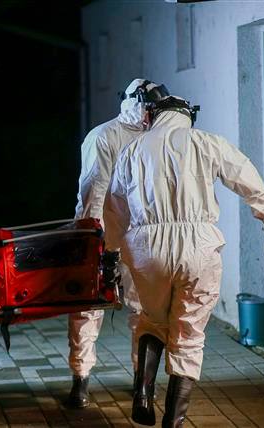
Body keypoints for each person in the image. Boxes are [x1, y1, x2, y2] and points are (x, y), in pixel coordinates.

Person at [107, 95, 264, 427]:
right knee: (189, 331)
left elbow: (115, 209)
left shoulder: (131, 151)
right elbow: (247, 180)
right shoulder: (207, 142)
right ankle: (174, 421)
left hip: (146, 249)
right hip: (198, 247)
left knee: (152, 321)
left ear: (153, 116)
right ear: (187, 116)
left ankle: (142, 394)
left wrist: (111, 251)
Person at [68, 79, 170, 408]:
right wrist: (92, 235)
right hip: (104, 234)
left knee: (144, 309)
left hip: (142, 236)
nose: (152, 115)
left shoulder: (155, 137)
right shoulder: (104, 136)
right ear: (136, 104)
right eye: (149, 108)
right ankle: (81, 377)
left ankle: (143, 380)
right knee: (88, 308)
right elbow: (93, 188)